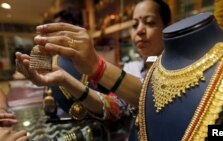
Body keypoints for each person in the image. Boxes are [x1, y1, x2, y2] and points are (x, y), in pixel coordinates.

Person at [15, 0, 172, 140]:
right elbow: (115, 108)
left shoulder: (178, 69)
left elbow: (152, 97)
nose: (139, 30)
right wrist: (64, 79)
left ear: (168, 27)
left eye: (150, 22)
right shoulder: (132, 67)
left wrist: (97, 66)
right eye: (134, 24)